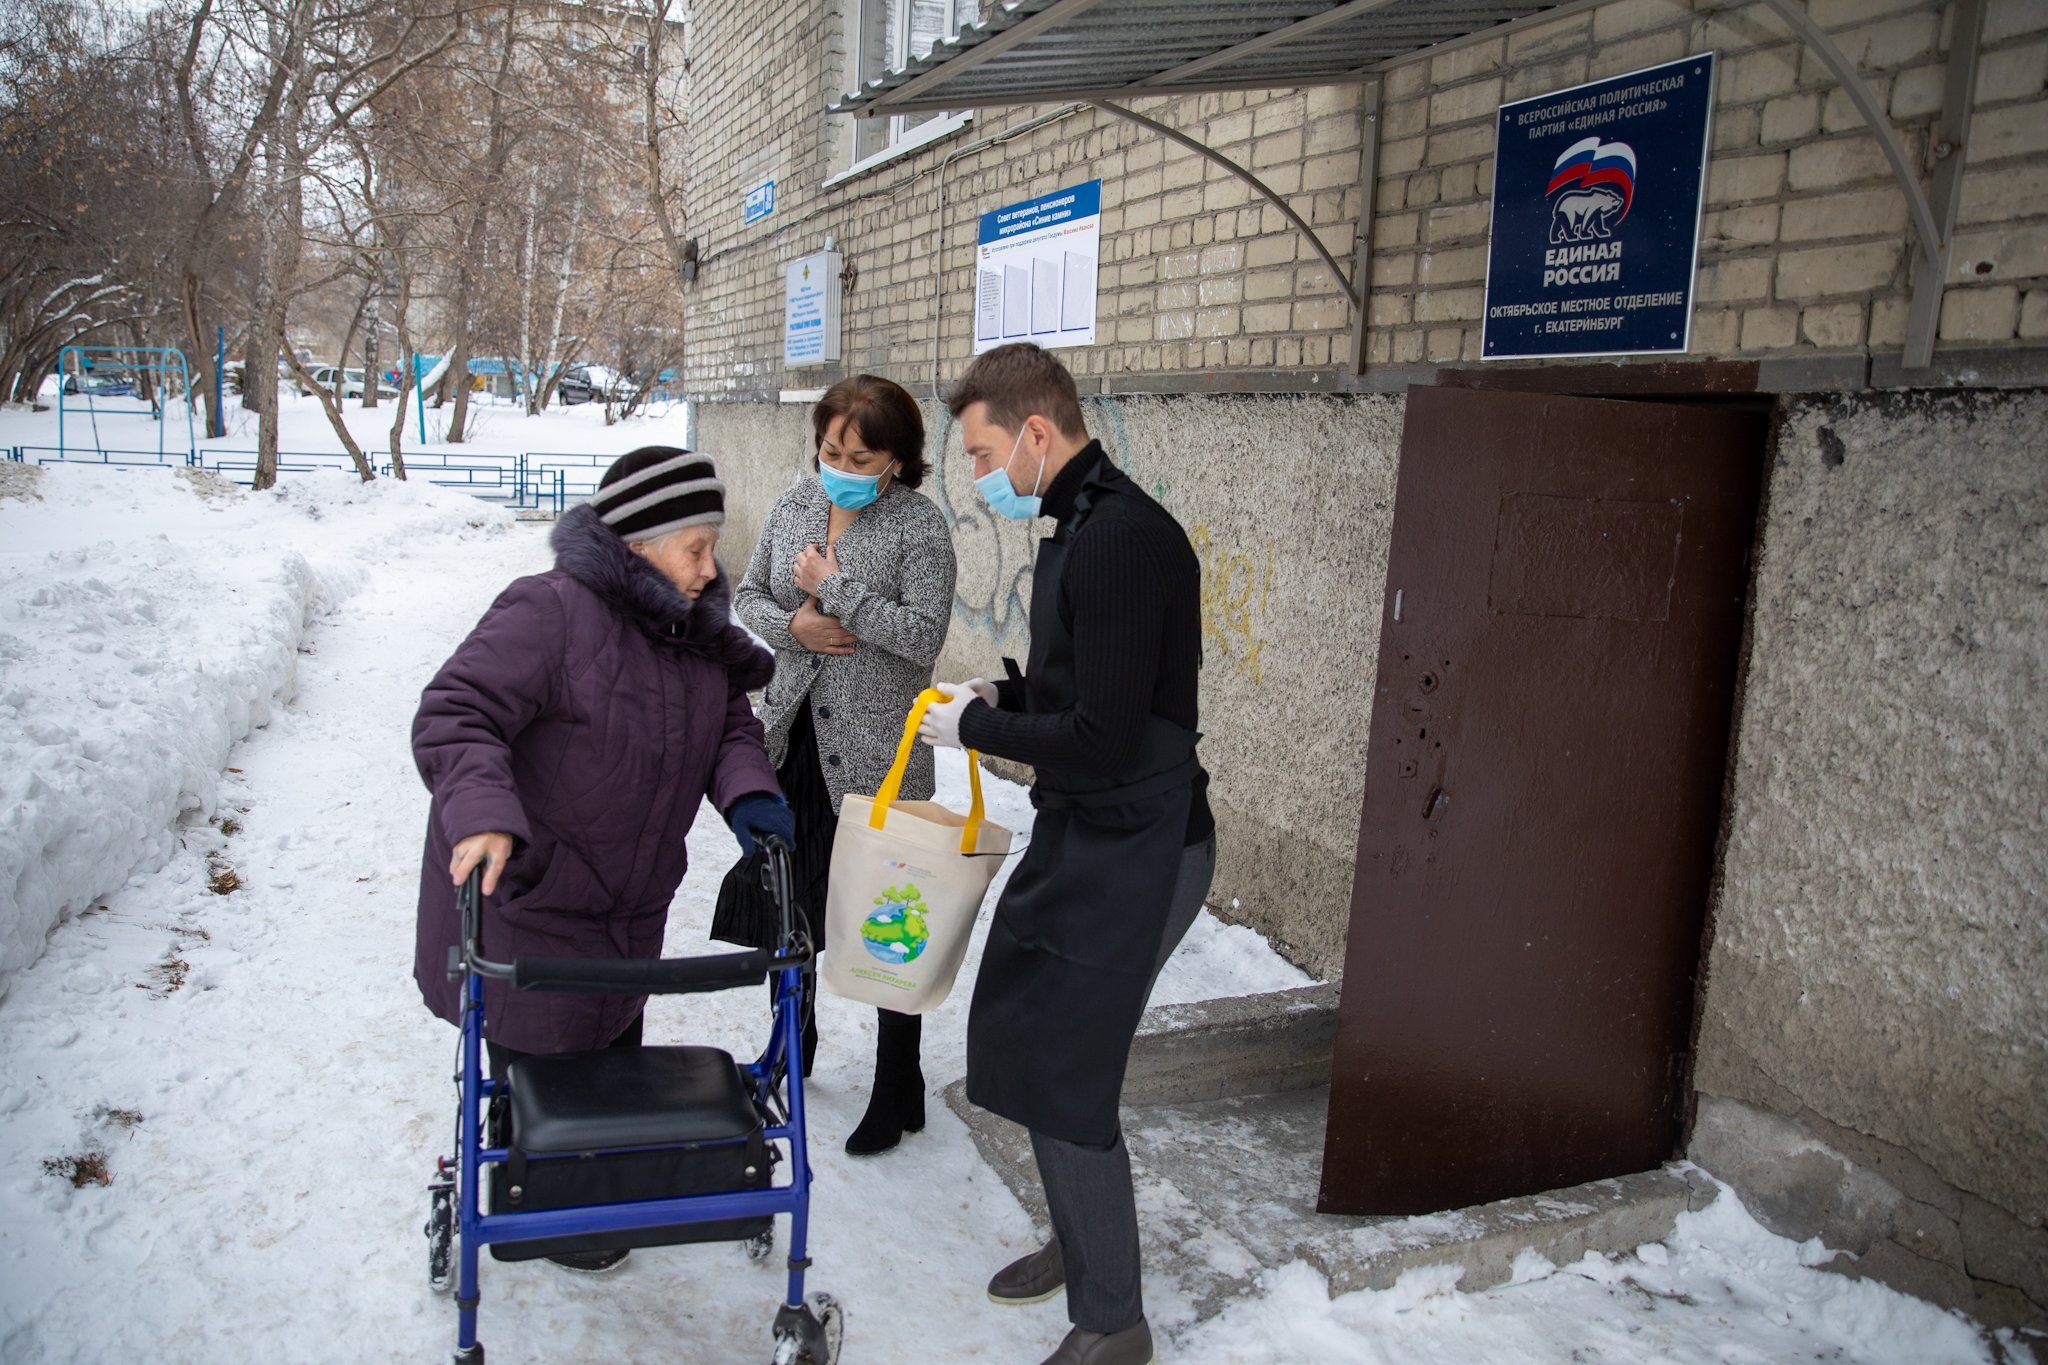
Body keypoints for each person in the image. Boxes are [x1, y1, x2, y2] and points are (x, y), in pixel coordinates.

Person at [410, 446, 794, 1271]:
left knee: (612, 1069)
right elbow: (456, 710)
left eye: (712, 547)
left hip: (626, 910)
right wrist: (482, 814)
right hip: (532, 906)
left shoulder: (690, 634)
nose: (708, 568)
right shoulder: (547, 612)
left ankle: (590, 1196)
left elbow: (728, 725)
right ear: (635, 545)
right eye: (693, 548)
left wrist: (750, 794)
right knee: (549, 1089)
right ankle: (551, 1204)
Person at [919, 343, 1215, 1365]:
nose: (976, 475)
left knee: (1068, 1059)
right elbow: (1082, 690)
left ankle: (1111, 1324)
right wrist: (999, 699)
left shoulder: (1119, 540)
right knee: (1035, 1031)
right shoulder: (1079, 521)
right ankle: (1083, 1234)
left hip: (1143, 843)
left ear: (1035, 433)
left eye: (982, 451)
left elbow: (1103, 737)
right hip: (1092, 830)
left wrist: (974, 736)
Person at [733, 374, 957, 1156]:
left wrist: (839, 593)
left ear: (896, 460)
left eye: (860, 455)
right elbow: (747, 597)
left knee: (888, 920)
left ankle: (901, 1082)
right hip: (793, 744)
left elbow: (923, 636)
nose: (840, 464)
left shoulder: (920, 528)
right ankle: (794, 1048)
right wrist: (797, 623)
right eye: (830, 448)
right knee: (790, 909)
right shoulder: (796, 503)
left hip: (877, 760)